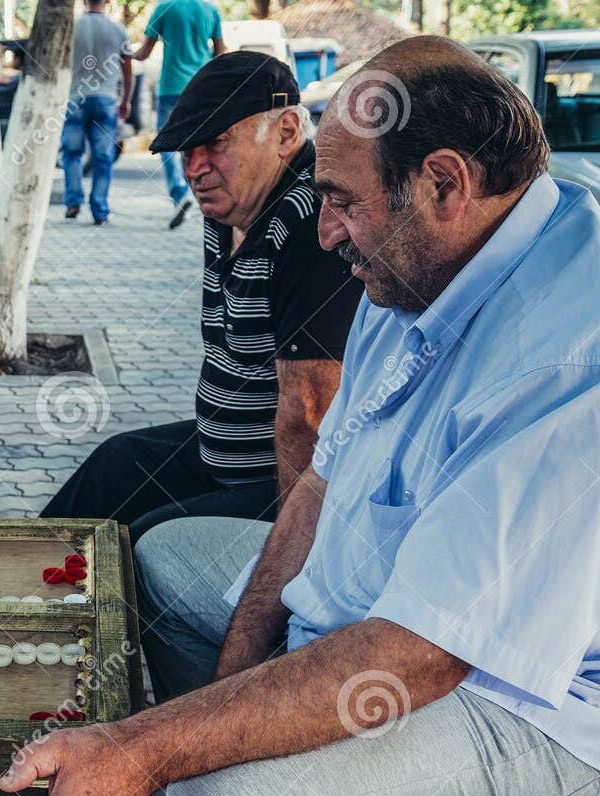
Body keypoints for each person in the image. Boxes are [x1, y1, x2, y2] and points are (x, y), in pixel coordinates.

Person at [0, 36, 600, 796]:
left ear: (442, 182)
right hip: (388, 617)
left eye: (337, 198)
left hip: (528, 703)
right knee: (164, 553)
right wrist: (235, 694)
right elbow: (316, 495)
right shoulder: (414, 268)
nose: (322, 228)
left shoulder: (586, 349)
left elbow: (423, 652)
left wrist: (158, 751)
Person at [41, 53, 361, 543]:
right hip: (220, 460)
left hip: (285, 489)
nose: (195, 169)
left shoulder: (310, 223)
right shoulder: (228, 207)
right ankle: (16, 591)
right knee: (113, 466)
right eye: (187, 151)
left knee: (149, 542)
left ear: (287, 132)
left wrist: (289, 547)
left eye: (216, 143)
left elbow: (311, 411)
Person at [133, 0, 226, 228]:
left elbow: (144, 53)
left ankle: (179, 192)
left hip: (171, 87)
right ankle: (197, 194)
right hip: (201, 86)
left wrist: (126, 54)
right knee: (194, 144)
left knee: (165, 144)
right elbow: (222, 51)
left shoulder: (164, 8)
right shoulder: (210, 10)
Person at [62, 0, 133, 225]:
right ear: (108, 2)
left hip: (75, 98)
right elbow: (127, 69)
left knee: (71, 153)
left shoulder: (70, 28)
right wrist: (126, 100)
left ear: (84, 1)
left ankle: (73, 200)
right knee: (103, 157)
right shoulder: (118, 30)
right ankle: (100, 210)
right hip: (105, 100)